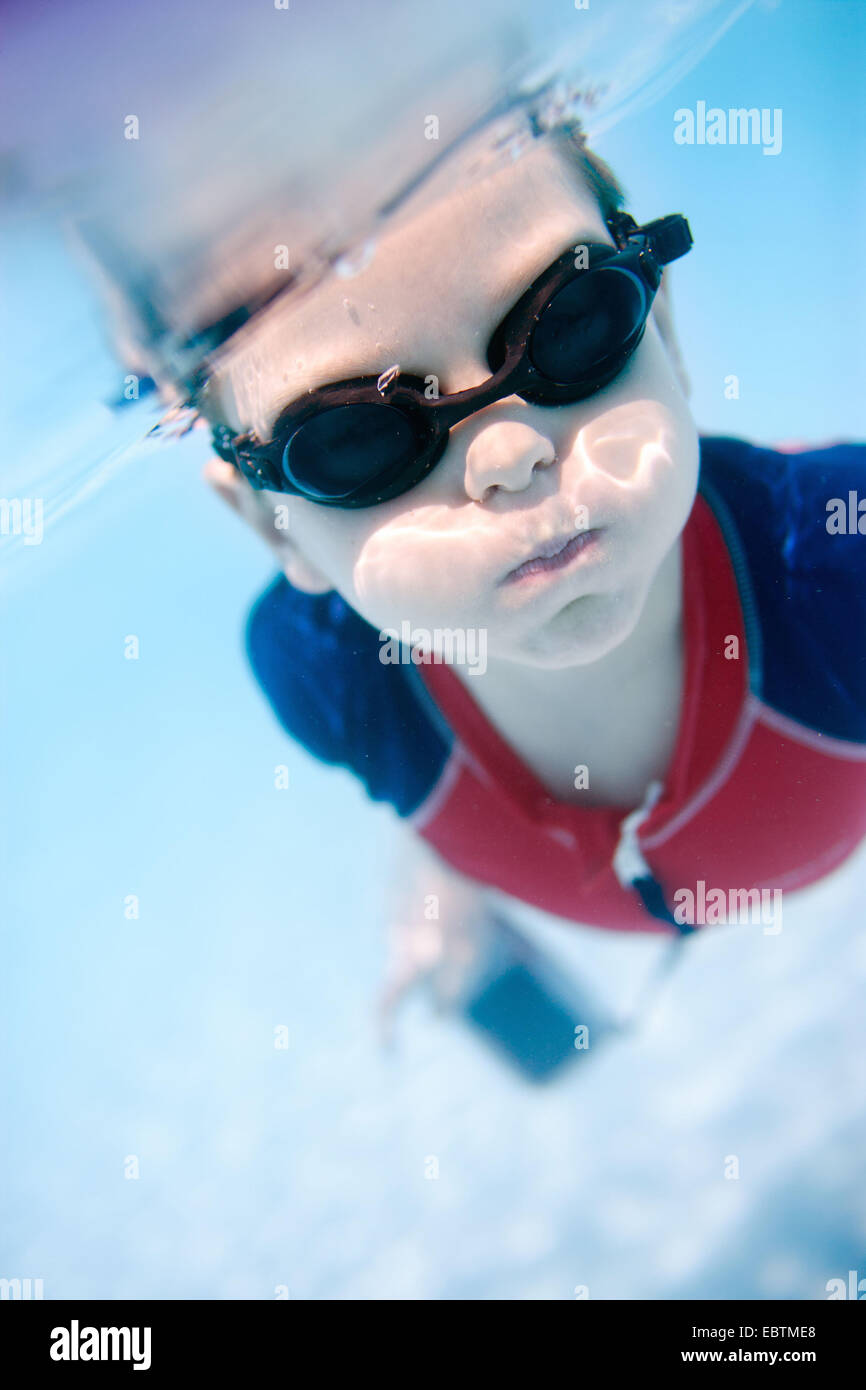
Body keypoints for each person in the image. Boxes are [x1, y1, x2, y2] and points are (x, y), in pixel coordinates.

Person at [149, 116, 866, 1016]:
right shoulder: (321, 672)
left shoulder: (839, 563)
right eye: (359, 440)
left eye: (575, 324)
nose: (510, 453)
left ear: (666, 334)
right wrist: (444, 871)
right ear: (278, 531)